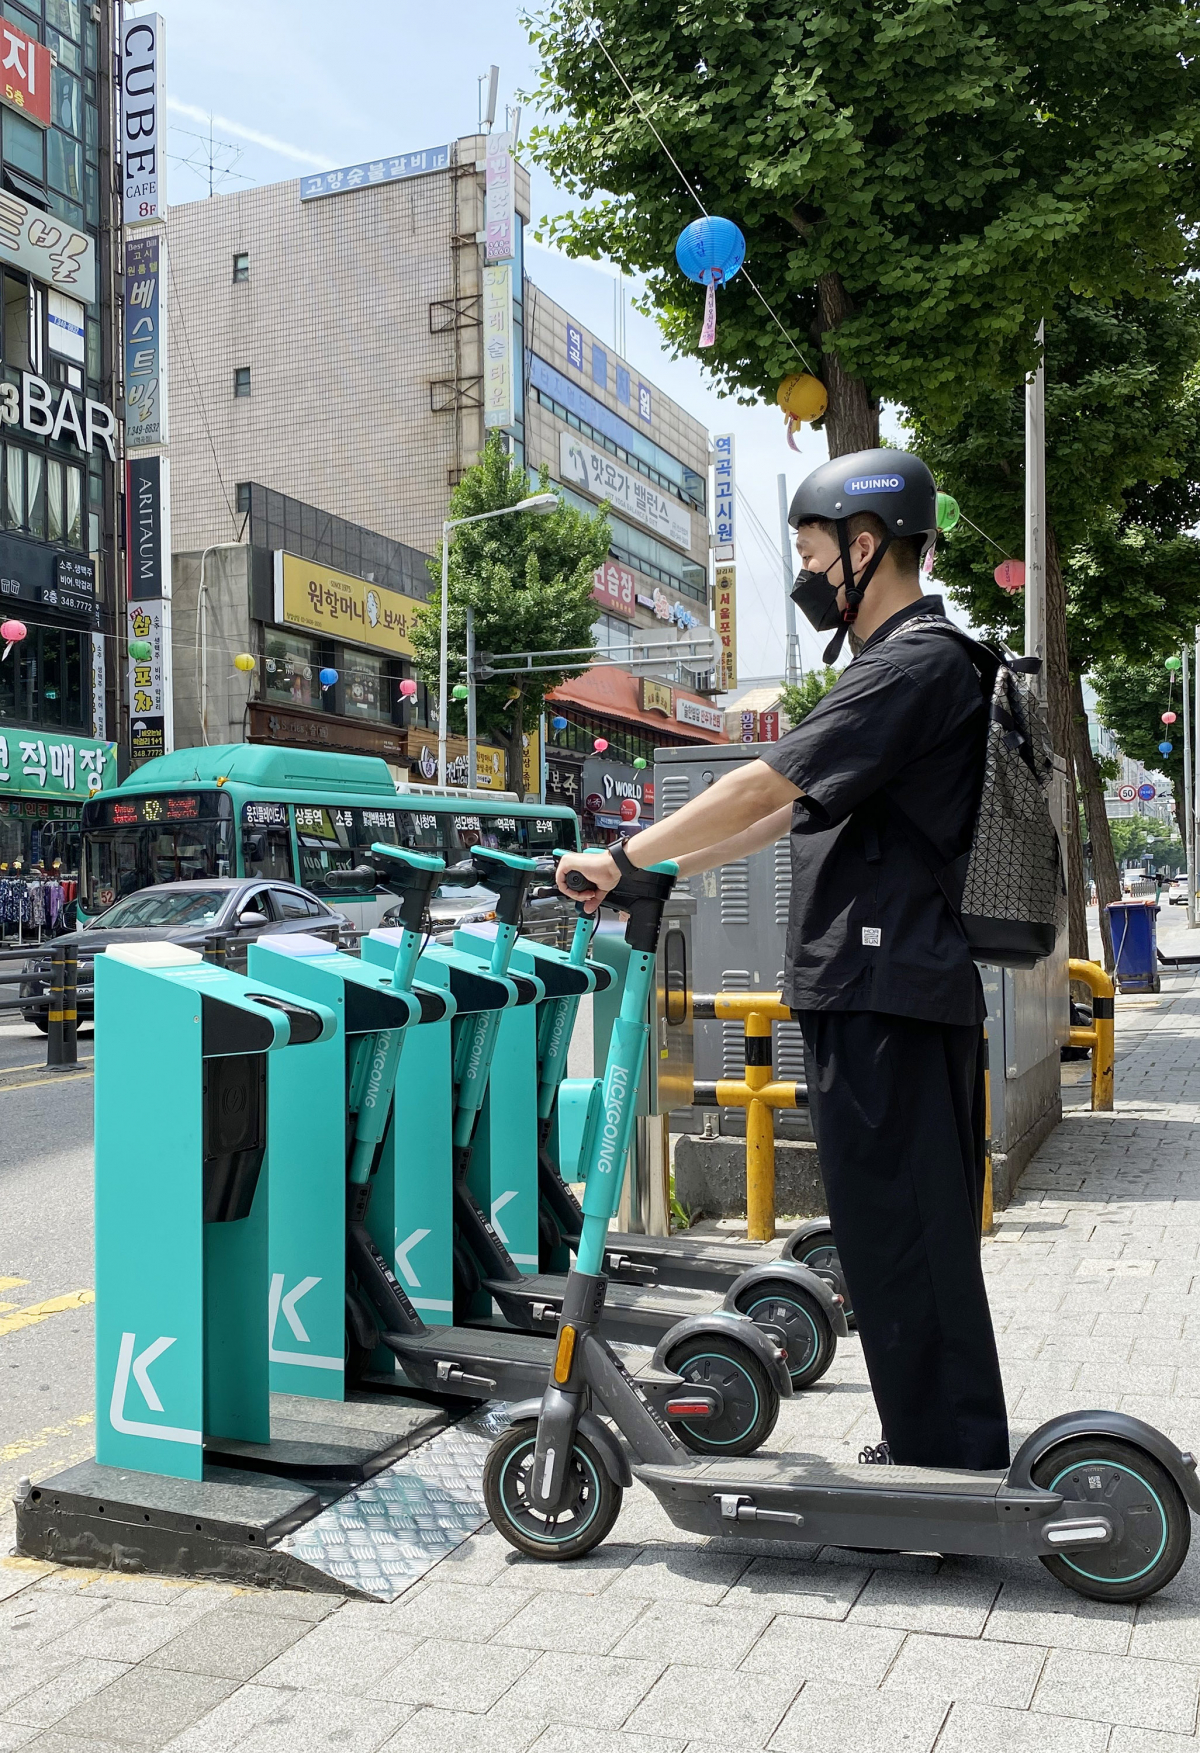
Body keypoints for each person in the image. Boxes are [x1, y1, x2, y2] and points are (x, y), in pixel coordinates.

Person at [556, 447, 1009, 1473]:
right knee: (894, 1231)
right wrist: (647, 873)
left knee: (906, 1237)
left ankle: (949, 1462)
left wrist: (628, 849)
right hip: (881, 990)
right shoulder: (896, 669)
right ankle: (938, 1447)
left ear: (864, 546)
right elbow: (777, 818)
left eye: (811, 553)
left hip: (888, 993)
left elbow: (766, 785)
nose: (804, 576)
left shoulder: (915, 663)